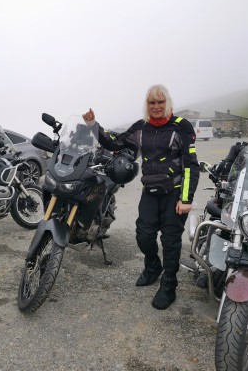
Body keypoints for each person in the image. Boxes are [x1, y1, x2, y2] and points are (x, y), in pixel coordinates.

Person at [82, 84, 199, 310]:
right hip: (150, 193)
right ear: (147, 105)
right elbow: (114, 143)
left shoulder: (181, 127)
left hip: (174, 193)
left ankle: (169, 286)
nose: (156, 106)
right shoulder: (141, 127)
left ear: (168, 103)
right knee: (144, 236)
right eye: (152, 103)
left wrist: (185, 199)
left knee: (170, 241)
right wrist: (93, 126)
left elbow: (190, 166)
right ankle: (153, 266)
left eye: (160, 102)